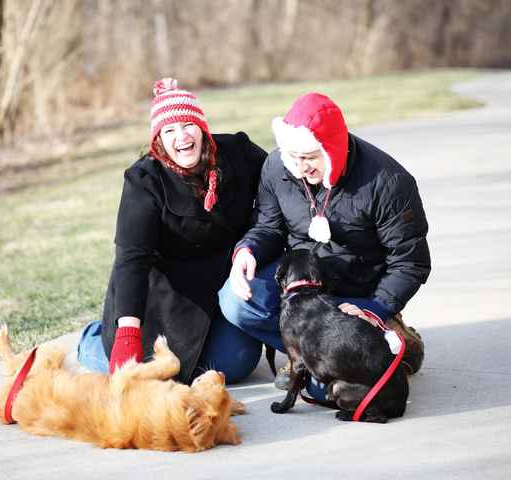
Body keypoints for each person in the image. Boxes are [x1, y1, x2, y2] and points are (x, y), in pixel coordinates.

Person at [218, 92, 430, 398]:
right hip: (305, 285)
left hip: (358, 291)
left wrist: (377, 305)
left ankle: (394, 339)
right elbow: (268, 225)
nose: (300, 166)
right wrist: (247, 249)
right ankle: (306, 355)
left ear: (333, 147)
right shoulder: (278, 167)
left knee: (332, 393)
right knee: (236, 301)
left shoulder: (389, 182)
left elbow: (410, 262)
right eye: (293, 157)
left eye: (309, 157)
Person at [76, 78, 268, 384]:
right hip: (164, 295)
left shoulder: (238, 154)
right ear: (158, 141)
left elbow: (278, 183)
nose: (181, 136)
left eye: (187, 124)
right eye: (169, 130)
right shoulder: (144, 181)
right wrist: (127, 333)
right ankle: (92, 341)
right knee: (150, 372)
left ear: (202, 127)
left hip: (220, 283)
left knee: (236, 361)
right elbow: (131, 259)